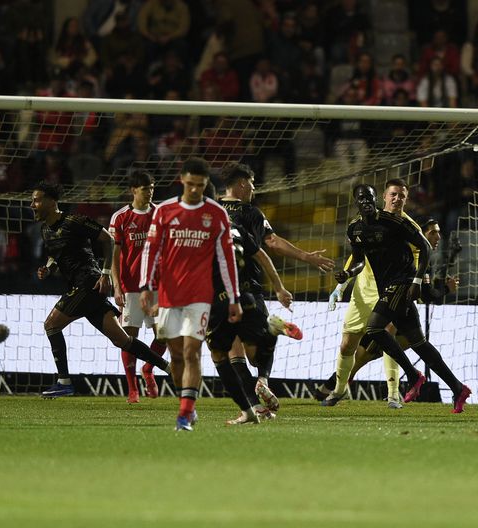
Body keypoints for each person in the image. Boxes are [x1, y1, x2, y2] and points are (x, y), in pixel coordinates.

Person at [325, 181, 472, 413]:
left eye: (401, 195)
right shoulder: (355, 228)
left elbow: (424, 250)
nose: (397, 199)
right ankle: (457, 387)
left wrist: (416, 282)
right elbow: (360, 259)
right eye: (393, 194)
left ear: (376, 199)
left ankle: (407, 381)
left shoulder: (399, 222)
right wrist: (346, 277)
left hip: (400, 285)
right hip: (374, 289)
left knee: (376, 330)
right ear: (384, 196)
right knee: (418, 343)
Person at [31, 181, 170, 399]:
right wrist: (49, 269)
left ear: (51, 201)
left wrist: (105, 274)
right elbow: (55, 256)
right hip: (82, 287)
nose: (32, 204)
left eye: (37, 200)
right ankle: (168, 367)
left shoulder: (75, 221)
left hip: (89, 282)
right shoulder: (45, 230)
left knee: (51, 325)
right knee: (122, 340)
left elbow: (109, 239)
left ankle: (64, 381)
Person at [216, 163, 330, 416]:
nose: (254, 190)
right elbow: (272, 244)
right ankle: (262, 385)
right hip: (248, 286)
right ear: (243, 183)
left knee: (234, 354)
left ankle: (256, 404)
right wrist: (307, 258)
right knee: (256, 353)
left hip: (218, 288)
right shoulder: (250, 212)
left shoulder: (210, 211)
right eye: (253, 184)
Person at [140, 157, 240, 431]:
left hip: (200, 295)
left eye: (200, 185)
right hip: (169, 295)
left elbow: (226, 259)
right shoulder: (164, 211)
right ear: (181, 180)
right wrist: (146, 286)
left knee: (192, 351)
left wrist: (234, 298)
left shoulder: (217, 214)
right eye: (190, 184)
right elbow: (152, 250)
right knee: (176, 357)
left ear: (206, 184)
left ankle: (184, 414)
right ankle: (188, 403)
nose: (195, 189)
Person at [109, 170, 168, 403]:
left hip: (156, 285)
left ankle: (148, 369)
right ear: (134, 190)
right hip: (130, 285)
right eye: (146, 188)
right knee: (128, 338)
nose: (150, 192)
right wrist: (116, 286)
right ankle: (132, 389)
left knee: (163, 334)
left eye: (152, 188)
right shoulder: (121, 217)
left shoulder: (160, 214)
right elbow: (113, 255)